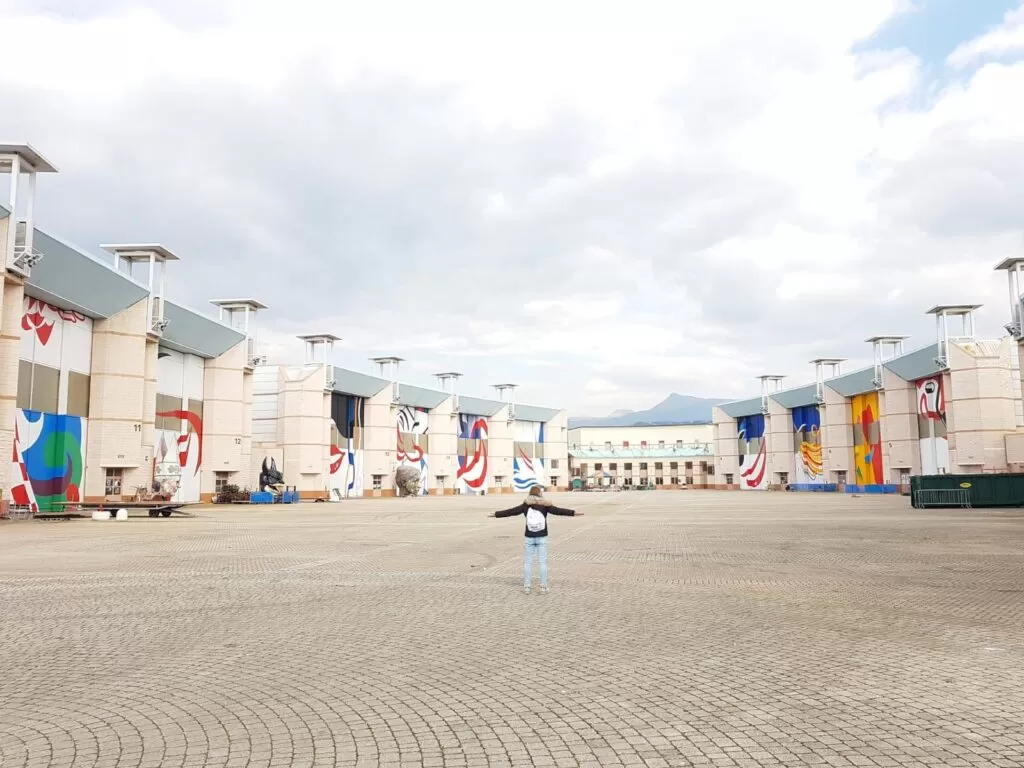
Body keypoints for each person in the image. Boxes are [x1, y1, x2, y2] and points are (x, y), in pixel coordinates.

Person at [490, 485, 583, 594]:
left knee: (528, 562)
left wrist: (496, 514)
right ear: (540, 493)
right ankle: (543, 587)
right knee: (542, 562)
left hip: (529, 536)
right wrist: (573, 513)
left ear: (530, 493)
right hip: (542, 536)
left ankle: (527, 587)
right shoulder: (545, 505)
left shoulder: (526, 505)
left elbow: (511, 511)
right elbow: (558, 511)